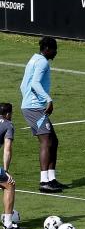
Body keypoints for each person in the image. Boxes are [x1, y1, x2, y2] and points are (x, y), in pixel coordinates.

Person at [20, 36, 64, 193]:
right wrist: (48, 99)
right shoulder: (43, 62)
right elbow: (35, 83)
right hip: (35, 108)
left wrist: (27, 99)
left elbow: (23, 85)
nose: (56, 53)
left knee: (54, 140)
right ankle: (44, 181)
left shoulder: (33, 59)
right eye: (54, 49)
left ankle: (51, 179)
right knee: (46, 141)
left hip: (31, 106)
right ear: (47, 49)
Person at [0, 103, 17, 229]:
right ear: (7, 114)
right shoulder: (8, 125)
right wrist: (5, 170)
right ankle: (8, 223)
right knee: (9, 183)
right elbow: (7, 150)